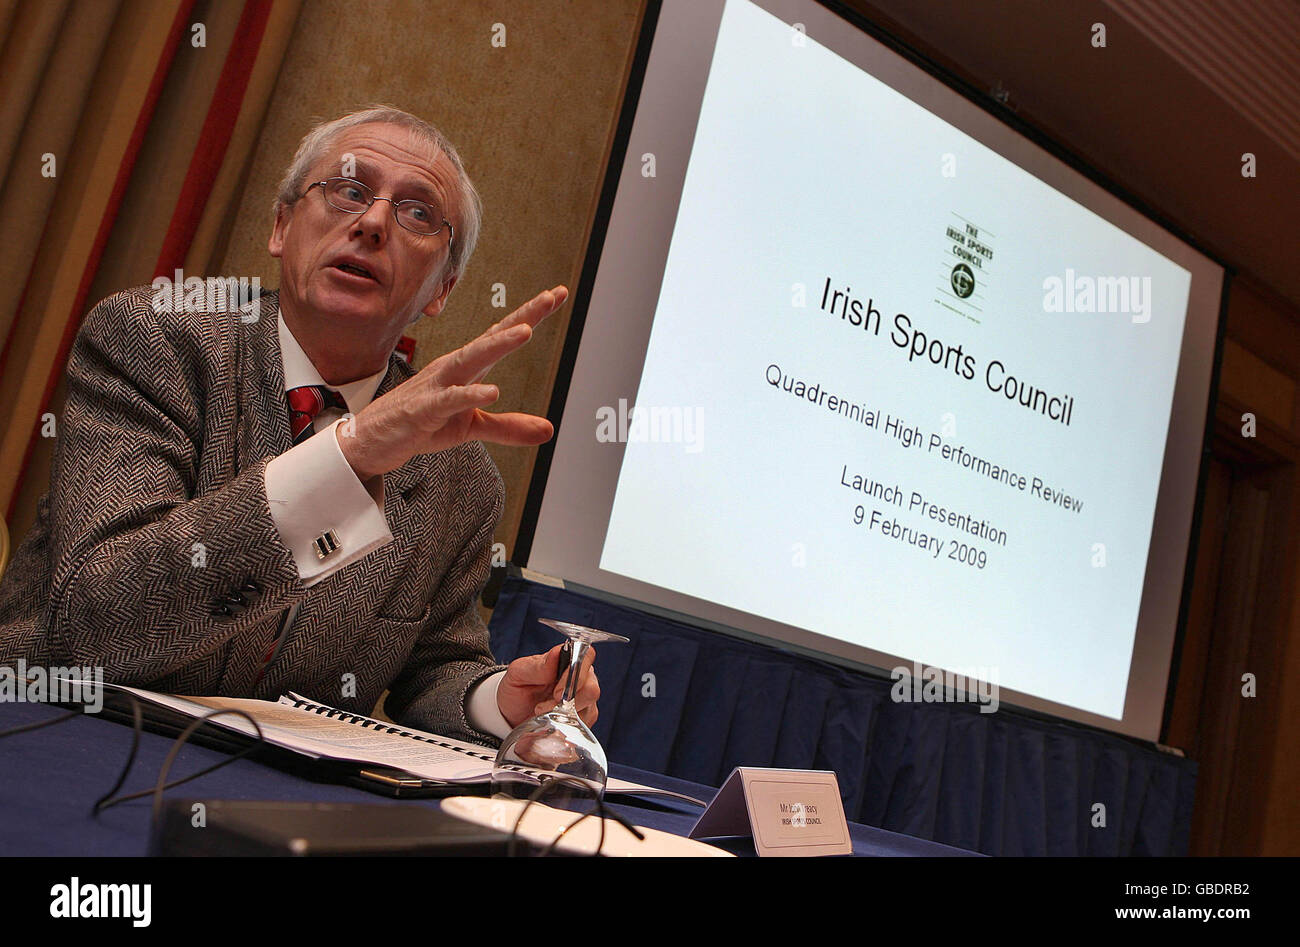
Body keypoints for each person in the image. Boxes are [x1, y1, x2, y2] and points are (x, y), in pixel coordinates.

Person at [0, 106, 598, 745]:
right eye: (348, 191)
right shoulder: (155, 340)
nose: (371, 223)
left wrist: (499, 701)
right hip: (56, 732)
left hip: (264, 791)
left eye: (417, 213)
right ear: (282, 225)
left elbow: (436, 666)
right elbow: (97, 624)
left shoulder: (460, 475)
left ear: (441, 289)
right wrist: (349, 455)